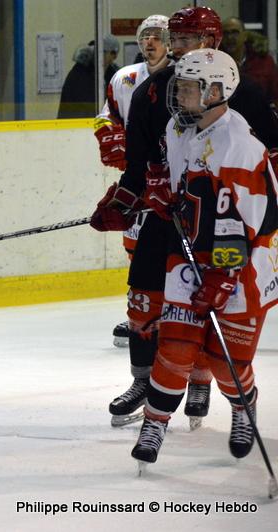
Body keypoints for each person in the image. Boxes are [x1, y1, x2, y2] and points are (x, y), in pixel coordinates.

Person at [90, 6, 278, 430]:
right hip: (165, 216)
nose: (177, 47)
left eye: (187, 39)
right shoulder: (151, 92)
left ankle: (200, 381)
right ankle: (143, 381)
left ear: (211, 42)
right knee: (142, 300)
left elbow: (268, 161)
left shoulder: (243, 93)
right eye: (174, 39)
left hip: (222, 225)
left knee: (204, 306)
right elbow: (139, 165)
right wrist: (123, 201)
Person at [130, 48, 278, 464]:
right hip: (189, 256)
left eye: (187, 88)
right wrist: (159, 193)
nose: (179, 95)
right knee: (175, 348)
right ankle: (154, 424)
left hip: (242, 267)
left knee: (226, 362)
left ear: (215, 91)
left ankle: (243, 408)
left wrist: (224, 275)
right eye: (179, 86)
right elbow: (180, 186)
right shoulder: (178, 129)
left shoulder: (239, 146)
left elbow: (251, 219)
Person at [93, 15, 171, 348]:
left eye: (157, 35)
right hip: (138, 177)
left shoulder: (181, 77)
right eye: (145, 36)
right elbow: (105, 116)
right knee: (134, 244)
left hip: (172, 179)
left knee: (173, 249)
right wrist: (109, 138)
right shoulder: (124, 78)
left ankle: (174, 314)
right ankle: (140, 314)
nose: (150, 41)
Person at [57, 35, 119, 119]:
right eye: (97, 51)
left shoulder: (112, 74)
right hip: (76, 122)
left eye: (104, 52)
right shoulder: (80, 73)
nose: (99, 55)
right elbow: (83, 105)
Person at [221, 17, 278, 105]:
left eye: (235, 32)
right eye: (225, 33)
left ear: (245, 36)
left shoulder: (264, 61)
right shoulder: (217, 62)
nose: (229, 37)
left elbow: (275, 94)